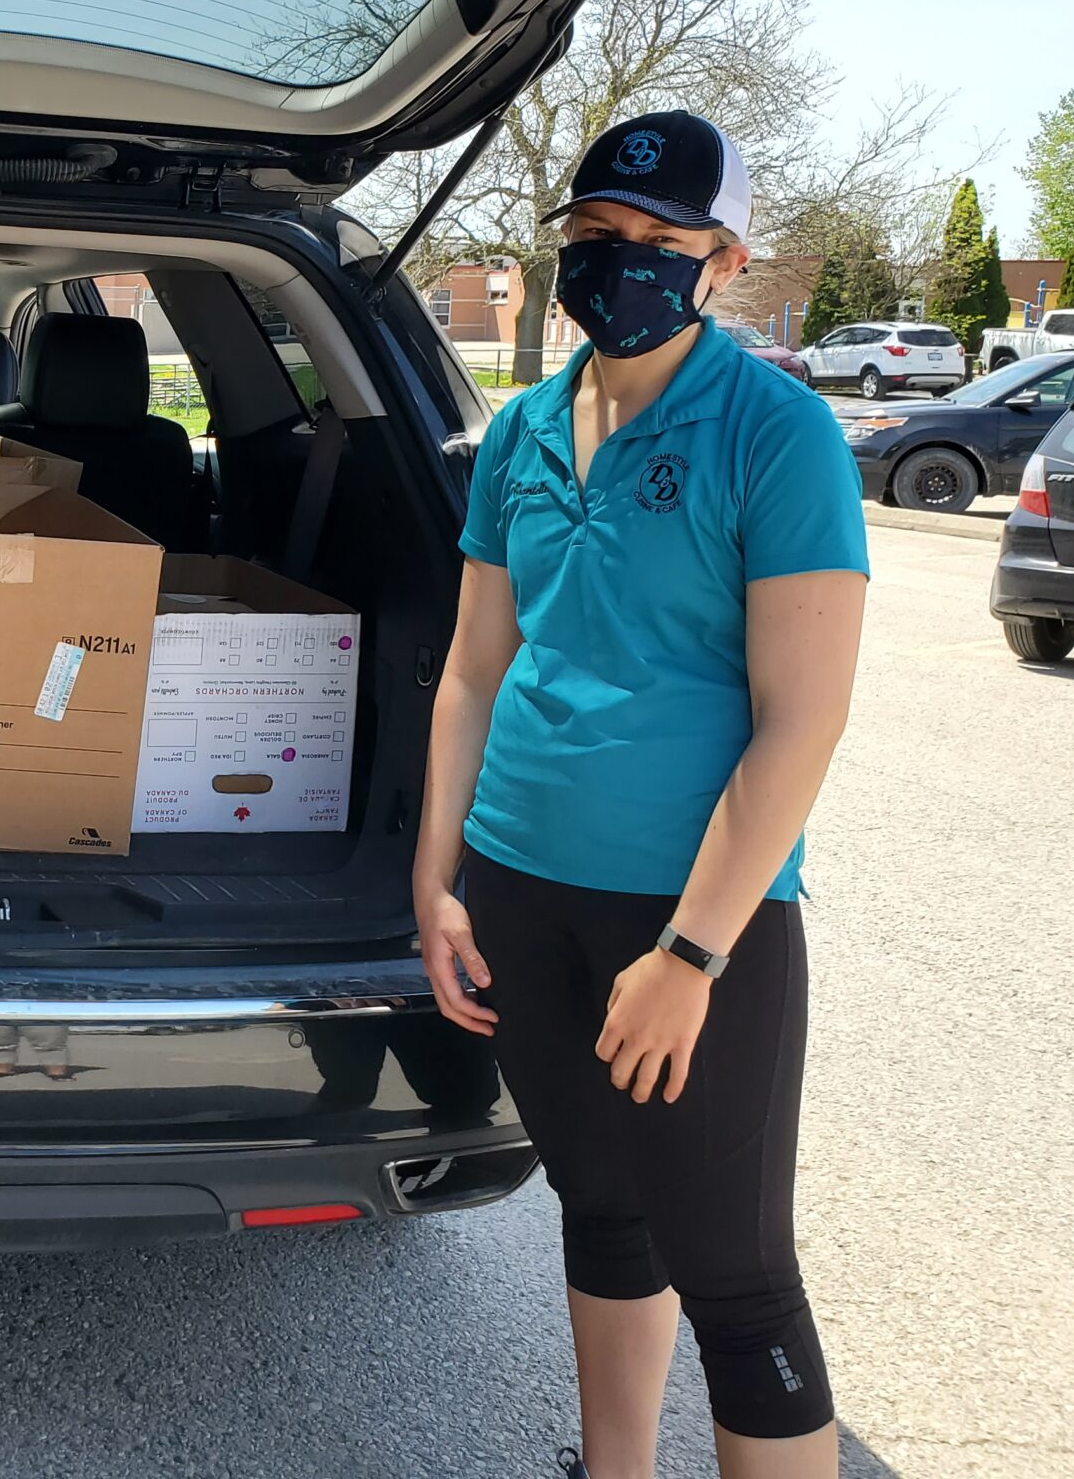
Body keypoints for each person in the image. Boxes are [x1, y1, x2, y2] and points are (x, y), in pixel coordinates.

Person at [412, 113, 868, 1479]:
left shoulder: (775, 434)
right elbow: (472, 673)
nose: (625, 266)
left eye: (662, 245)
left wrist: (692, 952)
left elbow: (804, 720)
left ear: (723, 263)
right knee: (600, 1206)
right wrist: (434, 880)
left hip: (688, 917)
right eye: (599, 238)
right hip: (517, 887)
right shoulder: (520, 436)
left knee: (736, 1277)